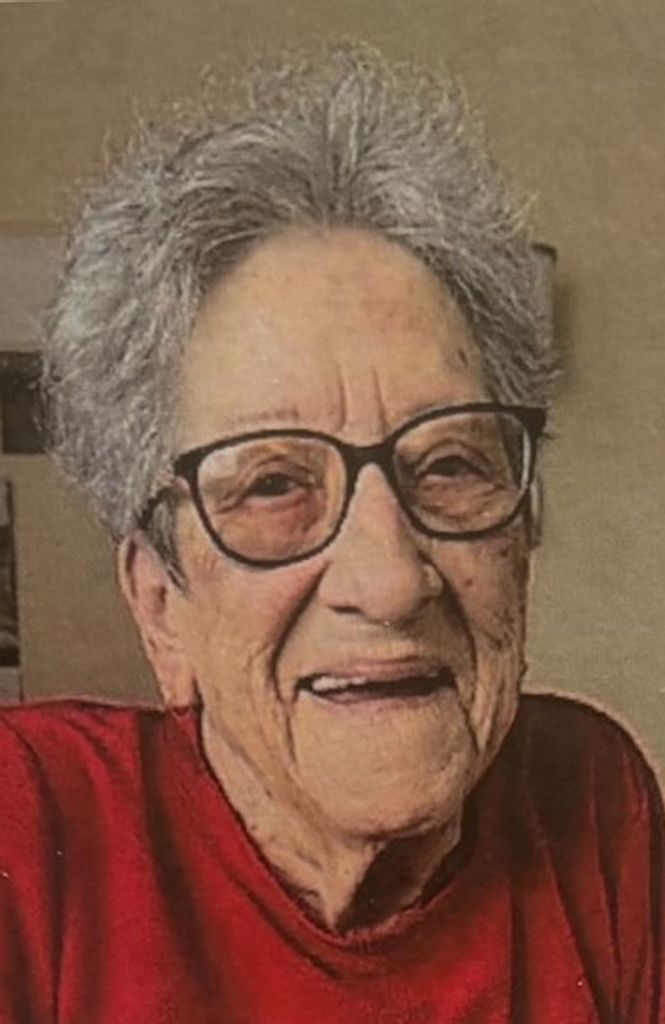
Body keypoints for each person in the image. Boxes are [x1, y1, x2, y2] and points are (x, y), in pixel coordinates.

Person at [1, 45, 663, 1024]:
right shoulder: (25, 828)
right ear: (161, 604)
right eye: (273, 484)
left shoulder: (587, 794)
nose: (390, 579)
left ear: (521, 532)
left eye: (449, 463)